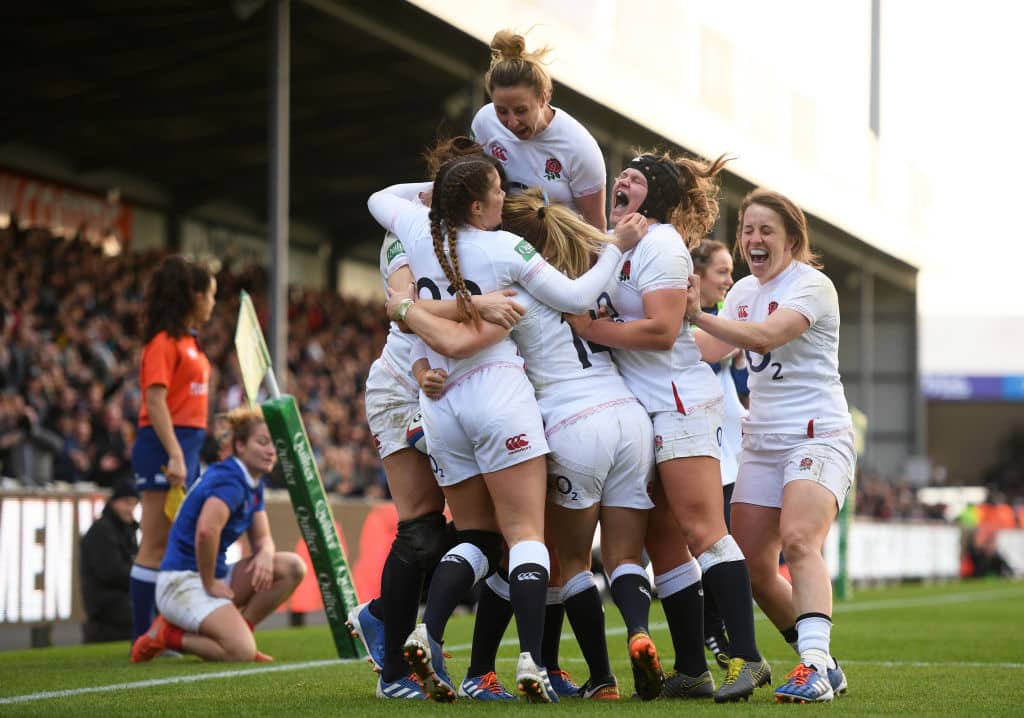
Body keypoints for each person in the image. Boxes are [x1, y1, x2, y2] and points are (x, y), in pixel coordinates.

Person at [367, 155, 638, 703]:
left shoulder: (418, 228)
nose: (503, 197)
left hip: (440, 405)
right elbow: (580, 298)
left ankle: (428, 631)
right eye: (496, 190)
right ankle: (533, 662)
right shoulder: (508, 251)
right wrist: (617, 246)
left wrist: (412, 313)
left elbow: (379, 197)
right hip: (498, 397)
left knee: (474, 536)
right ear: (476, 204)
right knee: (525, 538)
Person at [567, 152, 769, 702]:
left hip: (679, 403)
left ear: (652, 195)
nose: (621, 182)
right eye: (620, 176)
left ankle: (748, 660)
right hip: (646, 410)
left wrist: (592, 328)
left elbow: (660, 331)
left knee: (705, 531)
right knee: (664, 543)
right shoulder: (623, 246)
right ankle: (690, 669)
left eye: (634, 178)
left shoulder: (659, 243)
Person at [347, 137, 523, 701]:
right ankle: (396, 673)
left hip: (448, 392)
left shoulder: (481, 238)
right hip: (403, 387)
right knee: (423, 529)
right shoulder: (410, 230)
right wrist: (479, 303)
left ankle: (383, 614)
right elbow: (402, 307)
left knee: (485, 530)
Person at [685, 188, 853, 703]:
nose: (753, 240)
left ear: (793, 238)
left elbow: (762, 337)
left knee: (801, 540)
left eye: (766, 231)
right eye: (747, 230)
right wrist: (638, 334)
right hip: (761, 444)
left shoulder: (813, 285)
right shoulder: (739, 293)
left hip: (817, 433)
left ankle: (813, 667)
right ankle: (825, 663)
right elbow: (710, 348)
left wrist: (695, 313)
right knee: (753, 567)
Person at [130, 407, 305, 663]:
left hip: (208, 575)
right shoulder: (231, 480)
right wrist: (210, 582)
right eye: (262, 442)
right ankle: (166, 635)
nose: (271, 451)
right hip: (182, 581)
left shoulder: (250, 480)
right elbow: (206, 531)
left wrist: (266, 554)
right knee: (241, 652)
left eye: (273, 445)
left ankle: (241, 631)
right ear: (240, 445)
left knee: (291, 567)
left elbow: (262, 537)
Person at [129, 256, 216, 642]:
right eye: (211, 295)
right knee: (154, 543)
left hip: (186, 447)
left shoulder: (190, 343)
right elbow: (155, 400)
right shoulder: (162, 343)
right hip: (164, 447)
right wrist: (176, 454)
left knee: (172, 545)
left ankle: (160, 631)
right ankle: (143, 636)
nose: (214, 303)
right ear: (195, 296)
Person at [472, 30, 606, 230]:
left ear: (543, 99)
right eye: (501, 111)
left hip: (556, 254)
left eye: (520, 111)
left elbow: (596, 230)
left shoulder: (580, 148)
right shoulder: (484, 121)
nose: (511, 122)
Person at [690, 238, 750, 667]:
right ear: (698, 275)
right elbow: (707, 356)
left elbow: (743, 389)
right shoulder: (699, 324)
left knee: (726, 544)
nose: (730, 279)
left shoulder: (717, 322)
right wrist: (738, 338)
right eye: (722, 272)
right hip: (705, 448)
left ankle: (712, 629)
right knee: (713, 544)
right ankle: (710, 630)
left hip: (731, 450)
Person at [80, 480, 140, 643]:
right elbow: (112, 572)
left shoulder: (126, 530)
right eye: (127, 503)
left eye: (134, 504)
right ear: (114, 502)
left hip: (117, 599)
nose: (130, 509)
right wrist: (142, 579)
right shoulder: (102, 531)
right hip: (106, 603)